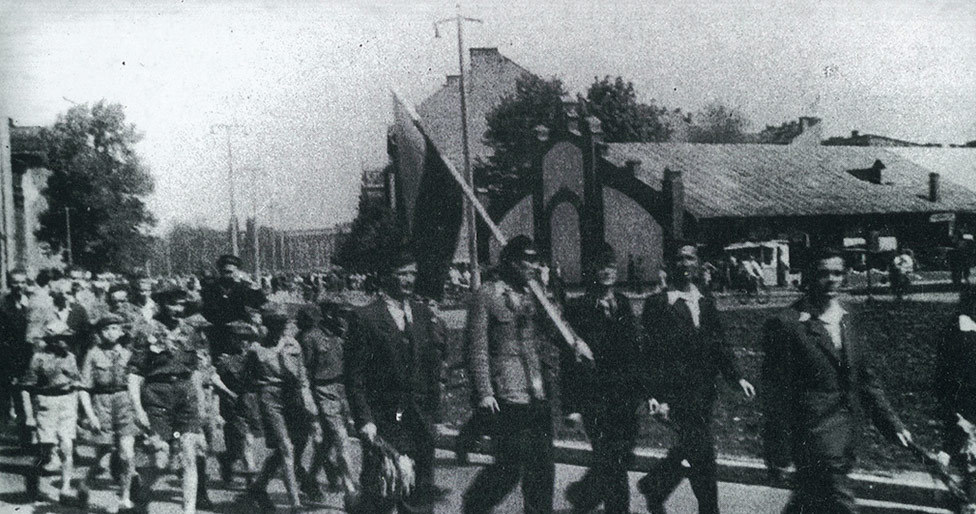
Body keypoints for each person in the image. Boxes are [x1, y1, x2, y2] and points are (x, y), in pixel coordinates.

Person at [762, 248, 912, 513]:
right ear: (808, 277)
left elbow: (865, 380)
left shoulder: (847, 319)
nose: (831, 280)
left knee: (807, 504)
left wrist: (893, 424)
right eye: (823, 273)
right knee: (841, 504)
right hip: (813, 437)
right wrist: (777, 450)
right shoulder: (787, 324)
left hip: (847, 434)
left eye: (837, 273)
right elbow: (776, 393)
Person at [462, 235, 591, 514]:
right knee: (511, 467)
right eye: (528, 260)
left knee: (543, 469)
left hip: (537, 390)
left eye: (536, 260)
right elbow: (476, 348)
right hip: (506, 393)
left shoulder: (537, 294)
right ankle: (474, 504)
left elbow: (558, 327)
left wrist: (576, 341)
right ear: (510, 262)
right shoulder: (487, 295)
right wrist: (484, 392)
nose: (534, 266)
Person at [637, 242, 755, 514]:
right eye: (679, 259)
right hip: (675, 394)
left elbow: (719, 343)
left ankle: (656, 485)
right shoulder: (658, 304)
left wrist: (736, 377)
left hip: (703, 392)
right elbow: (649, 354)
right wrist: (654, 395)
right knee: (704, 457)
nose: (685, 264)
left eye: (690, 258)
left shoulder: (705, 300)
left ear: (699, 263)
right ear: (669, 264)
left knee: (694, 447)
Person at [345, 249, 449, 513]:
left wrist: (434, 410)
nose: (409, 279)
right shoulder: (365, 318)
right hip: (384, 421)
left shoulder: (423, 314)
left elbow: (431, 366)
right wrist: (364, 419)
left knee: (419, 496)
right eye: (402, 273)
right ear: (386, 277)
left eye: (413, 273)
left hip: (419, 420)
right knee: (380, 493)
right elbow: (354, 377)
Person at [562, 242, 645, 513]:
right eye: (601, 266)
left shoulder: (622, 302)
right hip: (595, 398)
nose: (607, 271)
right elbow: (568, 363)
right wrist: (572, 407)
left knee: (618, 458)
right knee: (613, 462)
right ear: (590, 270)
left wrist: (643, 392)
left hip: (624, 398)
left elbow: (633, 350)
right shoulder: (578, 308)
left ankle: (584, 497)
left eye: (611, 265)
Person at [127, 287, 206, 514]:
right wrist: (138, 408)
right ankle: (140, 493)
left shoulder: (190, 331)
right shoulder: (146, 330)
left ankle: (188, 511)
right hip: (157, 394)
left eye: (182, 304)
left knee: (189, 454)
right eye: (173, 304)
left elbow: (195, 371)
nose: (178, 309)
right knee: (159, 462)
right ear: (161, 304)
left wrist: (200, 403)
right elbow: (135, 373)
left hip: (185, 394)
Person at [241, 305, 318, 513]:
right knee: (286, 447)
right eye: (276, 325)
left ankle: (258, 486)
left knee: (294, 445)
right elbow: (247, 379)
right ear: (267, 326)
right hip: (269, 397)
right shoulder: (256, 349)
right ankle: (295, 503)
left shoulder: (293, 344)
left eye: (283, 324)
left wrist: (308, 401)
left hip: (292, 398)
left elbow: (302, 377)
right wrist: (250, 408)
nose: (281, 329)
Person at [295, 302, 357, 499]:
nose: (344, 320)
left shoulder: (340, 336)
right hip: (321, 392)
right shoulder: (310, 337)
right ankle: (350, 491)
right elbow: (303, 371)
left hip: (341, 391)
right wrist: (308, 400)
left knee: (327, 443)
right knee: (341, 439)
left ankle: (310, 479)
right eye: (341, 315)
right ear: (329, 315)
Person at [78, 314, 138, 512]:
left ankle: (125, 497)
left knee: (127, 454)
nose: (111, 333)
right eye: (106, 329)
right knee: (103, 460)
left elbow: (135, 382)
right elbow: (84, 388)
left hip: (124, 402)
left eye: (115, 328)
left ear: (121, 332)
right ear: (100, 333)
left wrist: (137, 408)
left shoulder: (128, 354)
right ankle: (85, 483)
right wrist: (91, 415)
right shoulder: (92, 354)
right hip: (101, 404)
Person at [21, 325, 82, 505]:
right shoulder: (38, 358)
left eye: (69, 339)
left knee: (67, 447)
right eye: (63, 339)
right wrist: (29, 415)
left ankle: (65, 488)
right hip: (46, 403)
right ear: (52, 340)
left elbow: (76, 384)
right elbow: (26, 388)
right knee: (48, 450)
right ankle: (34, 480)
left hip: (67, 403)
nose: (67, 343)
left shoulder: (71, 357)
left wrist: (78, 412)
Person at [935, 285, 976, 512]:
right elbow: (945, 380)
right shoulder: (957, 331)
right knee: (969, 470)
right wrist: (955, 416)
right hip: (965, 413)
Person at [215, 321, 263, 489]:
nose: (245, 342)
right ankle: (253, 481)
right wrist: (217, 410)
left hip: (251, 404)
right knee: (246, 441)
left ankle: (226, 460)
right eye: (240, 338)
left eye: (247, 339)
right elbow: (216, 384)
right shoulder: (224, 361)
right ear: (231, 340)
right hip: (233, 406)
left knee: (239, 447)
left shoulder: (253, 358)